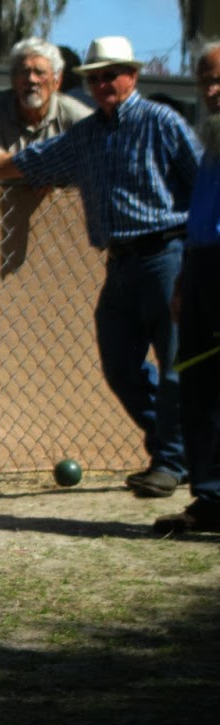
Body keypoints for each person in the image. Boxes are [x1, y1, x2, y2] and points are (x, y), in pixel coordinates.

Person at [0, 36, 201, 499]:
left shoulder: (161, 121)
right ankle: (176, 448)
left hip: (167, 254)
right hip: (120, 262)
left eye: (112, 74)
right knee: (120, 365)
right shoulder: (86, 134)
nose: (103, 83)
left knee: (173, 367)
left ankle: (170, 461)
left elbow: (202, 181)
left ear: (133, 75)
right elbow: (31, 163)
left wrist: (199, 255)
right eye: (96, 77)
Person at [155, 41, 220, 534]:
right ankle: (210, 497)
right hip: (199, 267)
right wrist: (182, 277)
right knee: (198, 381)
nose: (212, 90)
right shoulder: (210, 143)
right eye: (205, 81)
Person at [0, 38, 90, 163]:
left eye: (40, 72)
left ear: (56, 81)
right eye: (24, 71)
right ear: (12, 79)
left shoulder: (80, 118)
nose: (31, 79)